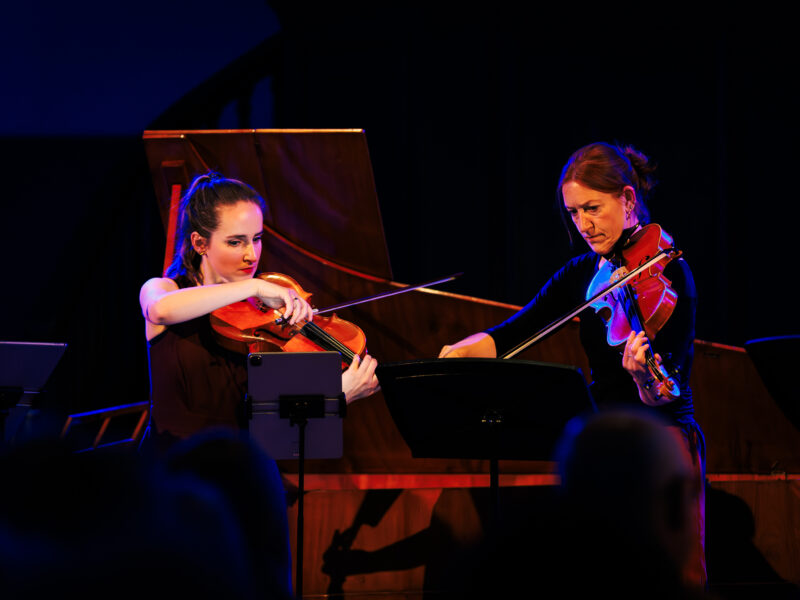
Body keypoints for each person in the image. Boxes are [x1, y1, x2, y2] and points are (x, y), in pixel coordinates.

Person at [438, 142, 707, 588]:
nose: (583, 224)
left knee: (668, 580)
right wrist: (460, 351)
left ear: (627, 199)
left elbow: (667, 389)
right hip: (600, 443)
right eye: (573, 213)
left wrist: (644, 378)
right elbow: (515, 331)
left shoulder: (670, 271)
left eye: (592, 209)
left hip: (662, 441)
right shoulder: (583, 272)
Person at [140, 172, 380, 453]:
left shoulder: (262, 314)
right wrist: (254, 286)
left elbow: (274, 426)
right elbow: (160, 310)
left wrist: (335, 397)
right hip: (175, 466)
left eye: (256, 239)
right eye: (235, 242)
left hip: (245, 464)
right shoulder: (163, 289)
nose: (252, 255)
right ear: (200, 243)